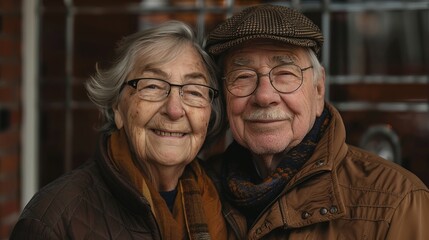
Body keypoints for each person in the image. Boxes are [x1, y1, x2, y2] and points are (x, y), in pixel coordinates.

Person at [204, 4, 429, 239]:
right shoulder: (198, 189)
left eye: (285, 74)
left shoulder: (397, 202)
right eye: (243, 76)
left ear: (319, 88)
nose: (264, 96)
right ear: (224, 94)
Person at [10, 21, 227, 239]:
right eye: (152, 86)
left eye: (194, 91)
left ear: (209, 113)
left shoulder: (224, 201)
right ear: (117, 107)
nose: (174, 110)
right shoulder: (53, 221)